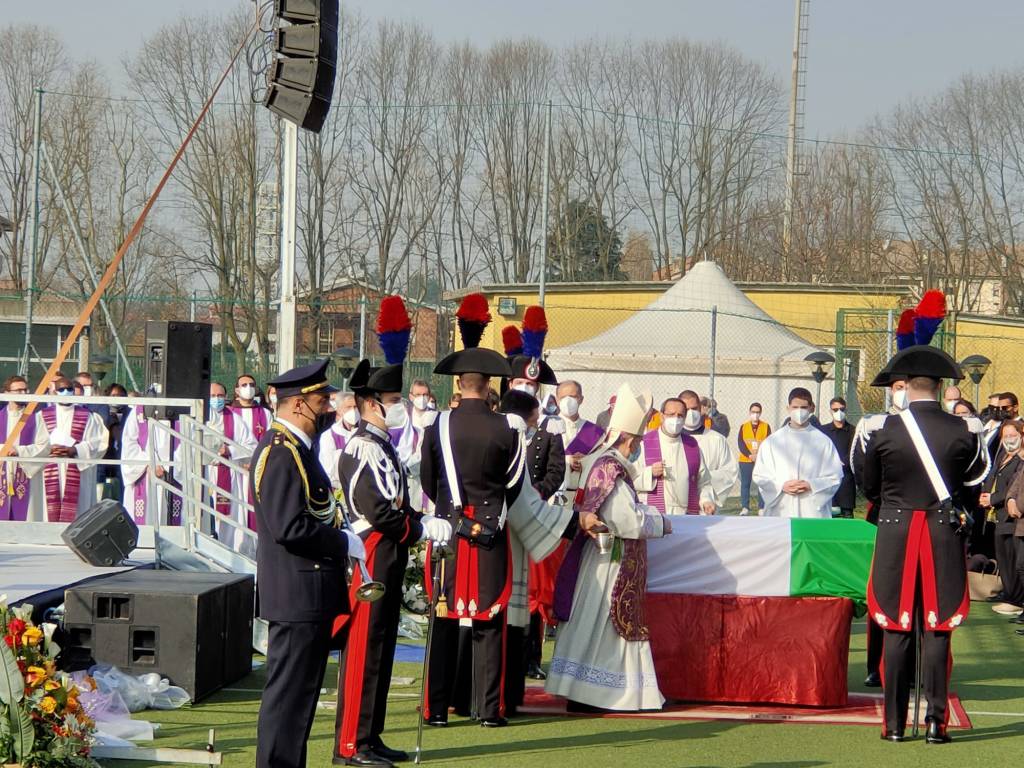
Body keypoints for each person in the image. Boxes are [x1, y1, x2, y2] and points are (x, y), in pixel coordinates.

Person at [420, 293, 571, 729]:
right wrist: (487, 512)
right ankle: (488, 711)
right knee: (489, 621)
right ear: (489, 386)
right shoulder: (507, 426)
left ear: (460, 384)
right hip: (490, 532)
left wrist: (452, 510)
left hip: (449, 532)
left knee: (445, 619)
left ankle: (436, 709)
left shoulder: (438, 424)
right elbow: (512, 483)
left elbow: (429, 480)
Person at [333, 313, 452, 766]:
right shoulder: (362, 448)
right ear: (371, 404)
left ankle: (370, 735)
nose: (400, 404)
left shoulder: (382, 446)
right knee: (364, 648)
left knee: (380, 647)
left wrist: (423, 520)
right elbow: (379, 510)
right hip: (371, 554)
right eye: (393, 398)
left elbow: (397, 502)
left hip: (389, 551)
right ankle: (350, 744)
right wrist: (420, 527)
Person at [862, 345, 988, 743]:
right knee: (937, 630)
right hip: (941, 533)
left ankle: (895, 726)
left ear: (905, 388)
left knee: (896, 628)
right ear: (938, 386)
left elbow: (869, 486)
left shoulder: (879, 428)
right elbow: (973, 483)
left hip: (896, 532)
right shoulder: (966, 430)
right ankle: (936, 723)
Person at [252, 359, 364, 768]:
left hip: (306, 594)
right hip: (297, 594)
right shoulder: (281, 452)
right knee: (288, 700)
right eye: (322, 399)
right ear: (299, 404)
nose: (328, 407)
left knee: (299, 702)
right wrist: (343, 541)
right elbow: (290, 527)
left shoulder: (298, 449)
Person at [547, 382, 671, 712]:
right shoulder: (610, 466)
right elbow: (624, 520)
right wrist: (660, 522)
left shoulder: (604, 461)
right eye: (639, 440)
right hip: (609, 560)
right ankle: (597, 693)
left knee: (593, 624)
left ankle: (587, 690)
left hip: (603, 557)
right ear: (628, 439)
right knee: (602, 623)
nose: (639, 446)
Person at [499, 388, 566, 683]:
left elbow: (555, 470)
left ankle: (531, 658)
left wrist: (536, 495)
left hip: (536, 514)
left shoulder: (548, 434)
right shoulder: (500, 434)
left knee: (534, 594)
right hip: (504, 520)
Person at [753, 388, 842, 519]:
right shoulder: (772, 442)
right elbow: (760, 475)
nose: (799, 411)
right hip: (781, 509)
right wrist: (781, 486)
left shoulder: (823, 442)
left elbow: (834, 477)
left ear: (812, 408)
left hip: (811, 511)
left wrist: (811, 485)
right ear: (788, 408)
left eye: (804, 407)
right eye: (795, 407)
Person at [32, 376, 108, 522]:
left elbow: (98, 442)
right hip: (51, 467)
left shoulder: (87, 416)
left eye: (69, 389)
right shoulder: (42, 416)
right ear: (54, 392)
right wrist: (49, 448)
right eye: (61, 389)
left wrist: (76, 450)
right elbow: (36, 442)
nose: (65, 392)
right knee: (49, 510)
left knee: (78, 512)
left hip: (77, 466)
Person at [633, 397, 716, 516]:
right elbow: (629, 479)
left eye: (680, 415)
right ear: (662, 416)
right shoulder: (644, 443)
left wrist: (706, 501)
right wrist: (649, 473)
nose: (676, 419)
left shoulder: (692, 445)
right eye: (671, 414)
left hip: (686, 514)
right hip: (652, 514)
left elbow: (703, 482)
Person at [203, 382, 256, 550]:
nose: (216, 399)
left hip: (227, 474)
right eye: (212, 396)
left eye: (219, 396)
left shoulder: (234, 418)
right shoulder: (198, 416)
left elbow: (252, 446)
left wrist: (230, 450)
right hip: (204, 472)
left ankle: (230, 551)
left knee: (230, 520)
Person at [983, 420, 1024, 617]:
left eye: (1013, 435)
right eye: (1005, 436)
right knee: (1004, 558)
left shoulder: (1020, 461)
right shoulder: (1003, 456)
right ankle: (1009, 594)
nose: (1009, 440)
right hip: (997, 515)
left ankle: (1015, 598)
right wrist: (986, 495)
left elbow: (1012, 488)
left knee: (1012, 559)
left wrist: (993, 498)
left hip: (1010, 518)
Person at [679, 390, 738, 503]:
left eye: (694, 408)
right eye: (686, 410)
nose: (691, 413)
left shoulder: (717, 439)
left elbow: (730, 471)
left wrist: (704, 478)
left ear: (701, 408)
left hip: (707, 503)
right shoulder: (672, 440)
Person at [0, 376, 45, 521]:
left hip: (25, 475)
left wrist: (19, 451)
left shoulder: (36, 418)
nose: (23, 393)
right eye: (18, 390)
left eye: (25, 390)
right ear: (6, 393)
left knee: (27, 516)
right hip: (3, 473)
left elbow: (44, 446)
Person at [556, 380, 606, 496]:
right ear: (557, 400)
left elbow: (603, 463)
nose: (568, 401)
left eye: (573, 396)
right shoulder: (547, 426)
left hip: (585, 494)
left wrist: (587, 461)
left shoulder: (594, 432)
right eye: (563, 397)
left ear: (581, 399)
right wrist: (568, 460)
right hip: (555, 494)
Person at [819, 397, 857, 518]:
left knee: (847, 515)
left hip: (846, 478)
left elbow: (854, 451)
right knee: (828, 516)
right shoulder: (823, 431)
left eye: (841, 409)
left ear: (846, 409)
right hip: (828, 477)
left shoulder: (853, 430)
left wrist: (843, 462)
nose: (838, 412)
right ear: (830, 411)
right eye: (835, 409)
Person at [319, 391, 359, 491]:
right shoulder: (329, 435)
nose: (353, 411)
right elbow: (329, 468)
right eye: (348, 407)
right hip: (339, 488)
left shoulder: (366, 432)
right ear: (339, 410)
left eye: (355, 407)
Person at [737, 403, 770, 516]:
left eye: (757, 412)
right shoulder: (744, 426)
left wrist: (759, 456)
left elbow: (768, 443)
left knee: (761, 483)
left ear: (760, 413)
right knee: (745, 484)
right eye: (753, 412)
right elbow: (741, 443)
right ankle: (745, 507)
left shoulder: (766, 426)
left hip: (760, 460)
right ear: (749, 412)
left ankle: (761, 507)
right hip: (745, 460)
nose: (755, 414)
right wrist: (750, 455)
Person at [99, 383, 128, 503]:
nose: (117, 398)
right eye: (114, 395)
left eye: (121, 396)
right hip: (103, 460)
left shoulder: (130, 414)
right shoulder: (101, 414)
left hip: (121, 459)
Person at [230, 373, 274, 442]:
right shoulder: (229, 413)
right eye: (244, 385)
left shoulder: (266, 413)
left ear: (256, 390)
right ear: (237, 391)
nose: (248, 388)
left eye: (252, 385)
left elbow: (270, 439)